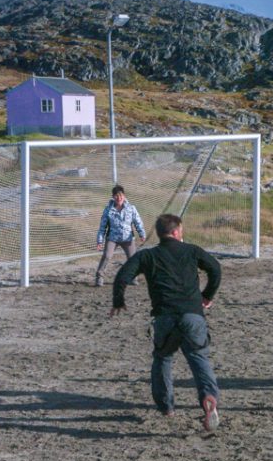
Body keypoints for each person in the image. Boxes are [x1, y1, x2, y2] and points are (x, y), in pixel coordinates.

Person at [110, 214, 223, 432]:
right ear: (176, 231)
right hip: (192, 315)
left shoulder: (148, 255)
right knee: (199, 357)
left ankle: (166, 406)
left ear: (161, 233)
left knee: (163, 358)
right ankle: (208, 396)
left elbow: (123, 275)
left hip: (164, 317)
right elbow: (215, 268)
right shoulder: (192, 250)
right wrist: (207, 295)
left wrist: (118, 301)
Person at [95, 185, 147, 287]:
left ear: (124, 196)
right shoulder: (108, 210)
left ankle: (133, 277)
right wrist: (99, 241)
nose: (119, 198)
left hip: (127, 238)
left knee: (132, 259)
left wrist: (142, 233)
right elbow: (102, 227)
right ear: (113, 197)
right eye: (116, 196)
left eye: (121, 195)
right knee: (106, 256)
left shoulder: (131, 208)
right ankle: (99, 277)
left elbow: (138, 222)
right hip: (112, 238)